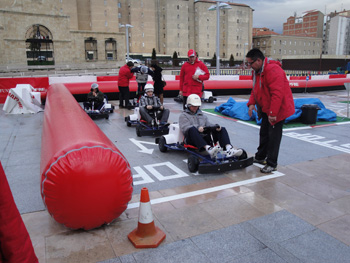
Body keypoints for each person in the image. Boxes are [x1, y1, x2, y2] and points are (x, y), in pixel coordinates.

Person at [246, 48, 295, 173]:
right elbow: (255, 89)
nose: (249, 66)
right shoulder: (257, 72)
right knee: (264, 133)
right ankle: (261, 157)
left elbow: (277, 94)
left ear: (258, 61)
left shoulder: (273, 70)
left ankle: (272, 163)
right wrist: (252, 103)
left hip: (278, 109)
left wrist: (273, 114)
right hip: (266, 107)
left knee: (274, 137)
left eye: (250, 63)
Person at [179, 94, 242, 159]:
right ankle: (208, 149)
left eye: (197, 106)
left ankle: (229, 149)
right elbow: (185, 128)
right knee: (192, 129)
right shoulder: (183, 115)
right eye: (193, 106)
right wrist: (198, 128)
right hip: (192, 139)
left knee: (221, 129)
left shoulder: (202, 115)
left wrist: (216, 126)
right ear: (189, 105)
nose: (195, 107)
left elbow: (208, 124)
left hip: (204, 137)